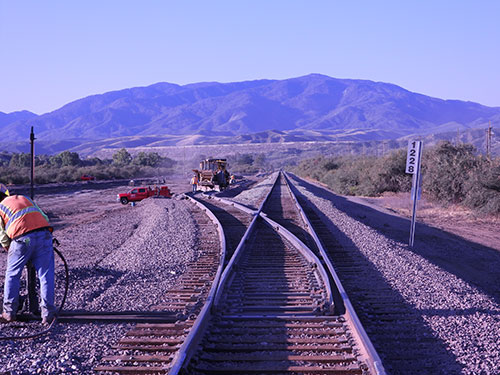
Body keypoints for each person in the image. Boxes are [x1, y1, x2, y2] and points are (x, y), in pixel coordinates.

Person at [0, 183, 55, 324]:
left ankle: (9, 313)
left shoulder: (0, 208)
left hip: (22, 239)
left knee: (12, 274)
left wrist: (16, 253)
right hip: (45, 235)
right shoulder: (25, 199)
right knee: (45, 275)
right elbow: (45, 219)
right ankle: (48, 314)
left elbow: (3, 239)